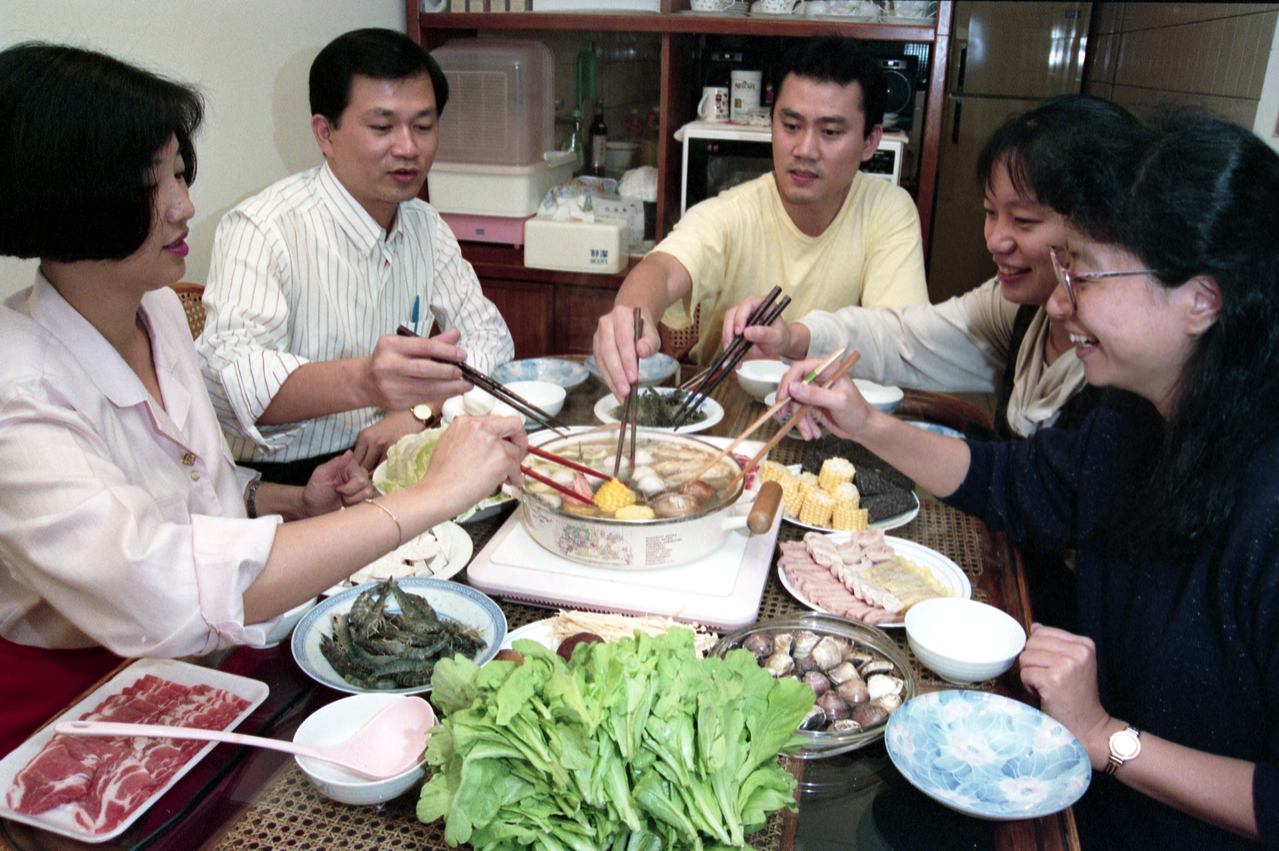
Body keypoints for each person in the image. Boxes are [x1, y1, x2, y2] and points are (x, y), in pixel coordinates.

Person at [0, 42, 525, 758]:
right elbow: (164, 591)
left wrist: (286, 502)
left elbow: (188, 490)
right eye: (153, 183)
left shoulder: (152, 309)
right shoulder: (16, 389)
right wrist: (426, 496)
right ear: (66, 192)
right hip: (80, 711)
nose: (186, 206)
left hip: (217, 664)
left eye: (181, 174)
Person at [776, 114, 1279, 850]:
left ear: (1201, 300)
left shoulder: (1266, 503)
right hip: (1077, 780)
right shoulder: (1134, 422)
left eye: (1085, 274)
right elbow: (1010, 482)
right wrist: (865, 424)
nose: (1056, 301)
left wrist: (1107, 735)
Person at [197, 28, 514, 485]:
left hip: (396, 458)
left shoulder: (425, 226)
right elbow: (228, 378)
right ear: (325, 133)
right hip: (285, 484)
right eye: (382, 127)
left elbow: (492, 339)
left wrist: (423, 410)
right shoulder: (265, 228)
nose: (408, 147)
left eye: (423, 126)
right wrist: (364, 381)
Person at [726, 94, 1140, 441]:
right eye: (990, 212)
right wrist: (792, 337)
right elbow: (902, 338)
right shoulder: (1017, 309)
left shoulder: (1130, 362)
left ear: (1100, 224)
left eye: (1024, 221)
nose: (995, 240)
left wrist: (872, 427)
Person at [592, 36, 928, 400]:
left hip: (835, 417)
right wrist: (629, 316)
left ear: (870, 142)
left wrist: (792, 338)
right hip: (725, 410)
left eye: (830, 132)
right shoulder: (733, 212)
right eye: (791, 126)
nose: (805, 150)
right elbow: (663, 269)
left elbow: (900, 344)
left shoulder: (889, 212)